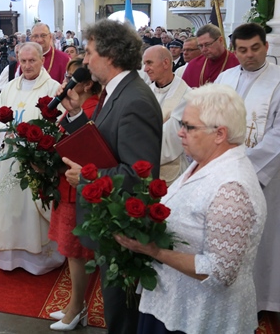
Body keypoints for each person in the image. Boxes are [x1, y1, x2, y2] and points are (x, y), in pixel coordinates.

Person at [115, 83, 266, 334]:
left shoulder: (232, 188)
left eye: (188, 126)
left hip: (201, 317)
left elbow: (220, 272)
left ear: (219, 134)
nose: (180, 133)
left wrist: (154, 251)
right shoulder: (206, 162)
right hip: (175, 304)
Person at [59, 19, 162, 334]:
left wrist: (86, 178)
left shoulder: (135, 101)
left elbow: (140, 174)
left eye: (90, 53)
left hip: (124, 224)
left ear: (111, 55)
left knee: (121, 311)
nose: (85, 61)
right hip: (110, 219)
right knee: (115, 303)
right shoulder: (117, 92)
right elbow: (102, 144)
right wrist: (76, 115)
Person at [0, 42, 65, 275]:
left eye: (32, 61)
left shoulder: (53, 87)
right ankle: (10, 255)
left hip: (36, 161)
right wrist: (5, 131)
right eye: (23, 61)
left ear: (42, 60)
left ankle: (39, 258)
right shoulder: (10, 87)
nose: (27, 65)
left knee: (32, 207)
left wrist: (35, 143)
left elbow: (58, 121)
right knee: (12, 206)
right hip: (11, 158)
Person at [214, 23, 280, 313]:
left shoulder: (278, 81)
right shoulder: (225, 78)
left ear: (266, 47)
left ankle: (260, 301)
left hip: (263, 175)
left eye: (255, 48)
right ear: (235, 51)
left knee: (262, 237)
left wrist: (244, 164)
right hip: (222, 171)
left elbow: (278, 134)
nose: (249, 55)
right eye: (242, 50)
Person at [48, 58, 99, 331]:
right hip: (66, 185)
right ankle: (74, 304)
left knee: (76, 252)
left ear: (87, 84)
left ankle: (77, 308)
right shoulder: (79, 106)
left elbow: (81, 146)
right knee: (71, 253)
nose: (66, 83)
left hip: (75, 188)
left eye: (72, 79)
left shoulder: (92, 107)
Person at [143, 46, 190, 185]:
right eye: (144, 63)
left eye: (149, 63)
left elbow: (173, 137)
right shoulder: (146, 92)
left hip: (173, 170)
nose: (145, 69)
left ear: (165, 63)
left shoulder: (186, 96)